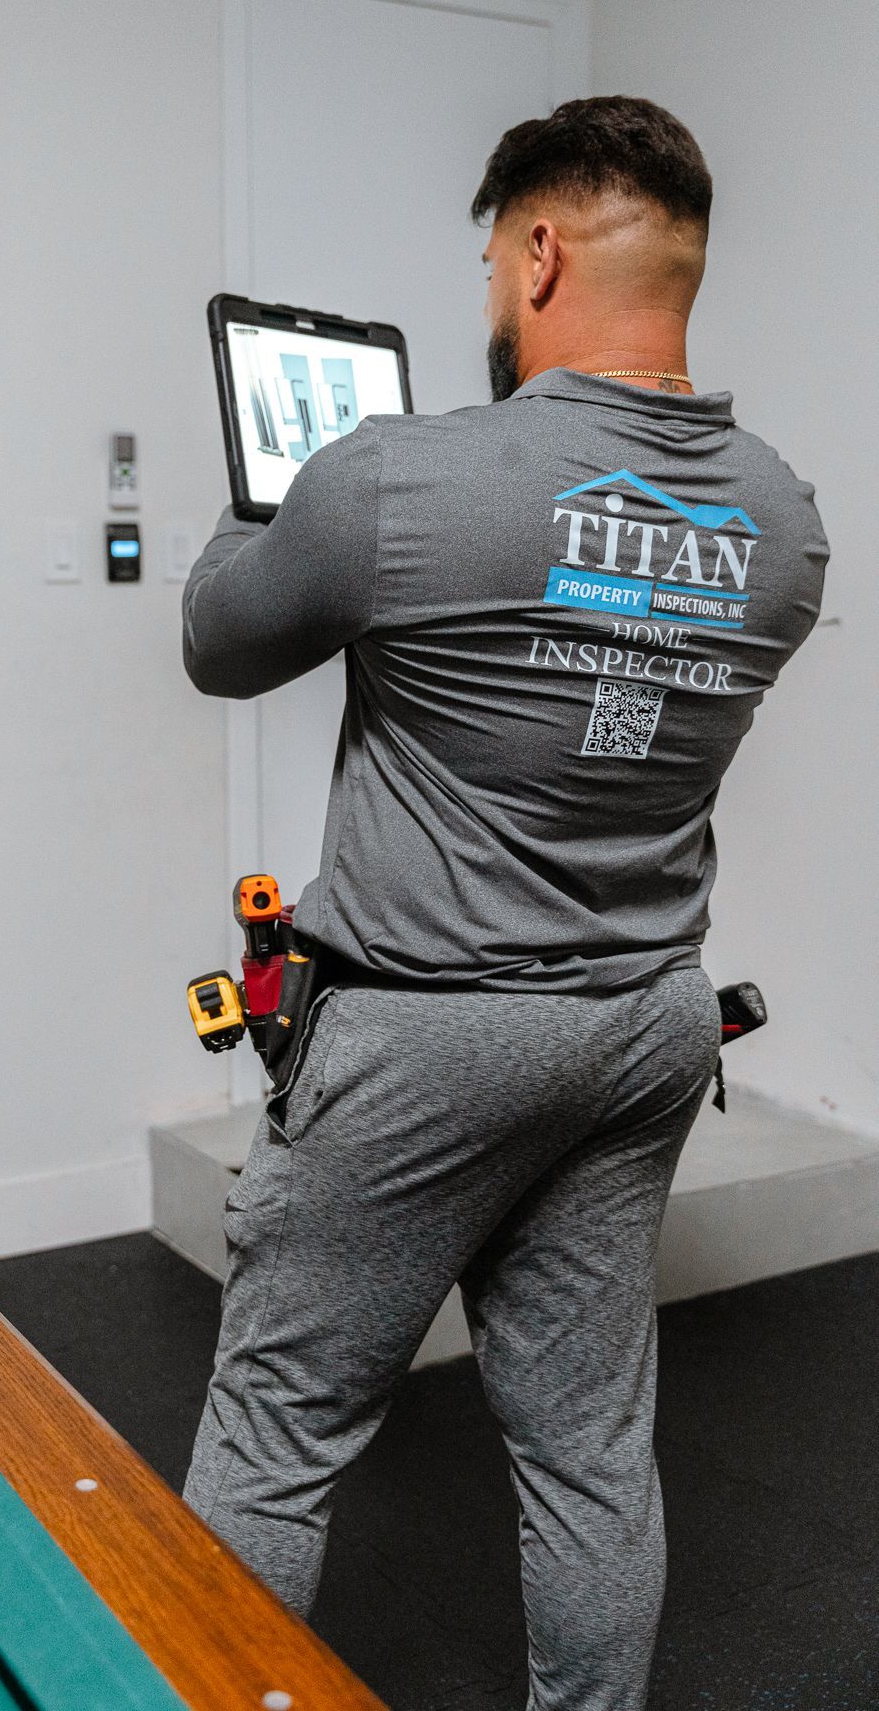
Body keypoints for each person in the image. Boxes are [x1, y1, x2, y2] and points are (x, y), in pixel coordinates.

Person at [179, 97, 828, 1711]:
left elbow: (220, 641)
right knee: (589, 1449)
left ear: (538, 250)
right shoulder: (784, 522)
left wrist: (275, 498)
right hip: (642, 1027)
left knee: (277, 1434)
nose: (486, 295)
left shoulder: (396, 478)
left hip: (425, 1041)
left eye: (490, 260)